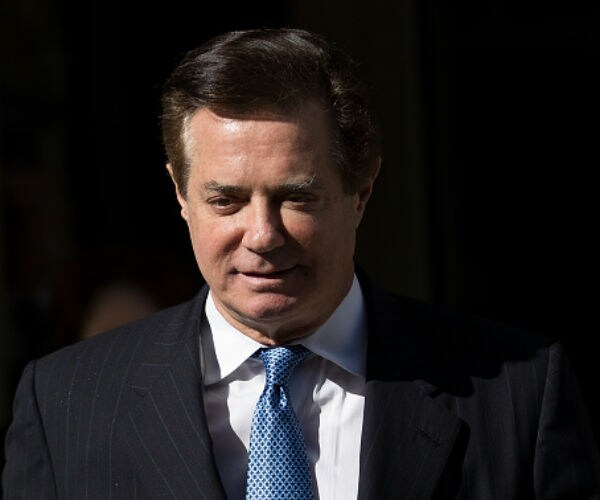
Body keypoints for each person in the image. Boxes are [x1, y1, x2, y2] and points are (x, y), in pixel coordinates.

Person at [3, 28, 599, 500]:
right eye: (226, 200)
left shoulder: (516, 396)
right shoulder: (65, 404)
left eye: (296, 198)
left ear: (361, 191)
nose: (262, 235)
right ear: (180, 194)